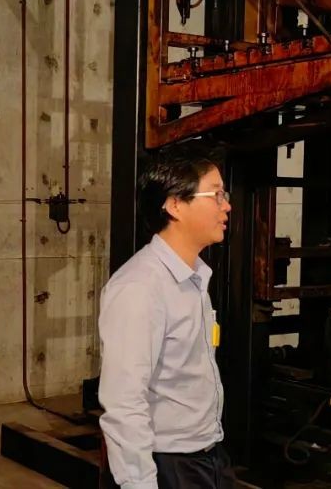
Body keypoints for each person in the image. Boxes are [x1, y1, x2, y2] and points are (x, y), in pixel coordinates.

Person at [98, 150, 235, 489]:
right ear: (175, 205)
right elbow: (124, 402)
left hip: (208, 455)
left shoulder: (195, 277)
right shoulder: (140, 287)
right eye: (216, 194)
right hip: (168, 465)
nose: (227, 206)